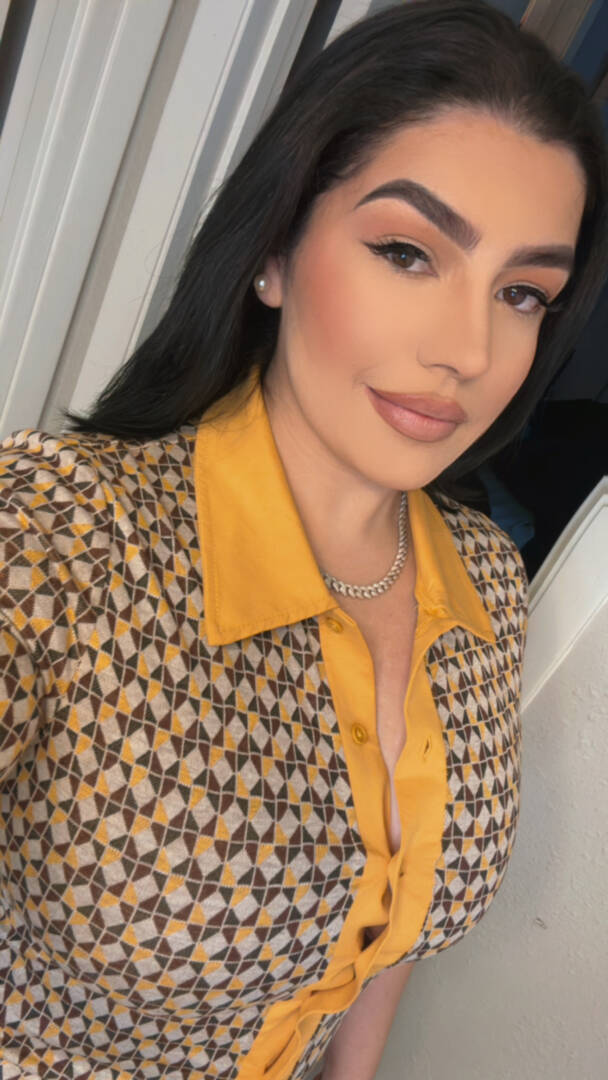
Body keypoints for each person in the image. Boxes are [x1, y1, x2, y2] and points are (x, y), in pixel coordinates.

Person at [0, 1, 606, 1078]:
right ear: (274, 250)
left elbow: (388, 931)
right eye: (407, 253)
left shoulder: (486, 584)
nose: (468, 350)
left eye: (522, 293)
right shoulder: (56, 536)